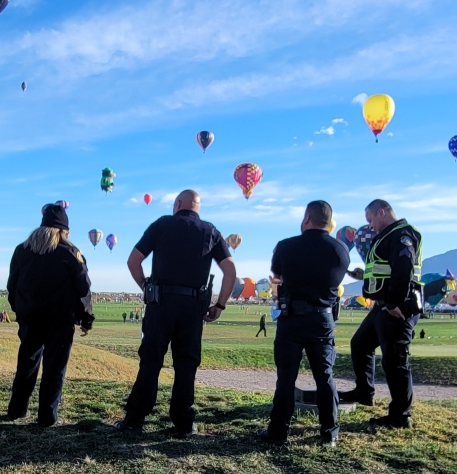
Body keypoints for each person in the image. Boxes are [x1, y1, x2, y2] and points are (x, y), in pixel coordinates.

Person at [113, 189, 237, 438]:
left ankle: (135, 419)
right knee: (186, 365)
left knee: (151, 362)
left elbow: (133, 261)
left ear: (178, 204)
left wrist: (147, 288)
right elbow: (230, 271)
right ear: (197, 207)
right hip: (193, 307)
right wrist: (219, 305)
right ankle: (183, 422)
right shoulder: (211, 231)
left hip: (161, 305)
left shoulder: (161, 225)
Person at [257, 201, 349, 448]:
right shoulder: (341, 250)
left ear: (307, 218)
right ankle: (329, 433)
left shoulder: (287, 246)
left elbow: (277, 275)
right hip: (323, 318)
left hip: (293, 319)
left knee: (286, 378)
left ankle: (278, 432)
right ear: (328, 221)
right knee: (325, 377)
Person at [6, 204, 94, 427]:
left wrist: (20, 310)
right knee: (54, 369)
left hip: (31, 318)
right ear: (64, 230)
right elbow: (83, 288)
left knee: (26, 364)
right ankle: (47, 417)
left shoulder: (22, 250)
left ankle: (17, 410)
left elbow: (12, 285)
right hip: (60, 320)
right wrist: (86, 319)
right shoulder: (71, 253)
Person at [339, 199, 423, 429]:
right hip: (381, 305)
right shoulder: (386, 236)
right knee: (360, 344)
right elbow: (383, 271)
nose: (371, 226)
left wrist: (394, 302)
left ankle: (400, 416)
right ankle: (364, 392)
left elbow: (404, 268)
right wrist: (361, 276)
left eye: (371, 220)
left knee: (395, 361)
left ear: (382, 212)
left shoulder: (402, 235)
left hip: (396, 307)